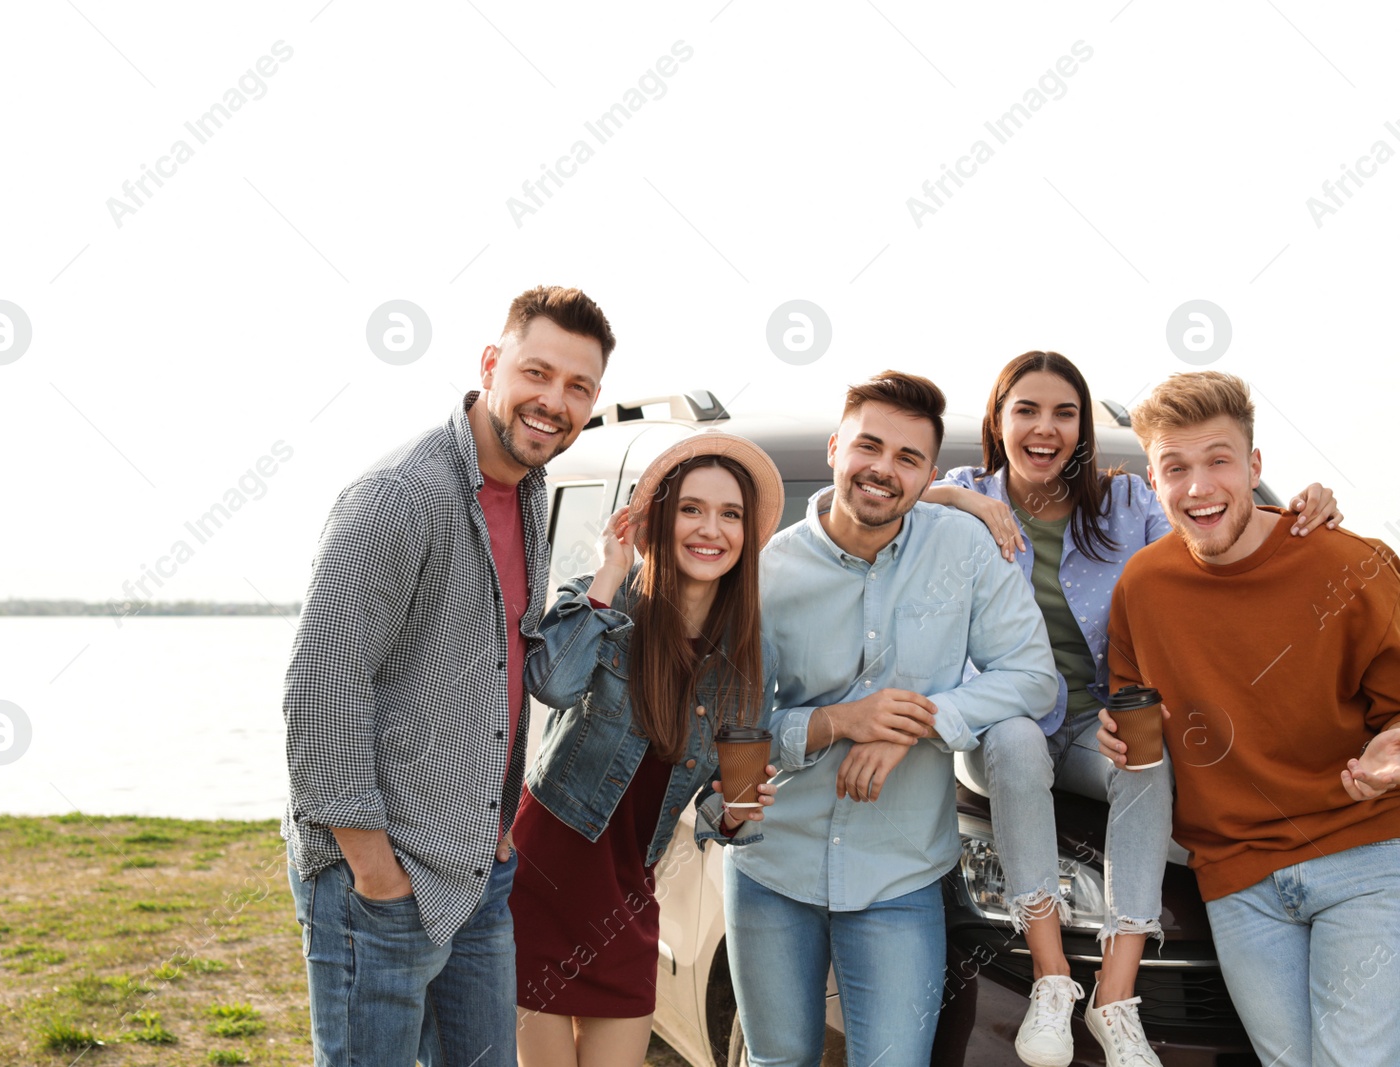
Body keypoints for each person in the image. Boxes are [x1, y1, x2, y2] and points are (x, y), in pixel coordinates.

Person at [921, 351, 1341, 1067]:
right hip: (1001, 718)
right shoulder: (960, 493)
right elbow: (866, 503)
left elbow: (1210, 528)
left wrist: (1302, 512)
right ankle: (1053, 976)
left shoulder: (1124, 503)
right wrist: (969, 500)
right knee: (1019, 739)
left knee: (1146, 752)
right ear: (999, 420)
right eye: (1026, 410)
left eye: (1064, 412)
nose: (1044, 428)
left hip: (1093, 718)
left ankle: (1115, 994)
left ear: (1082, 427)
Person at [280, 285, 614, 1067]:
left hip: (477, 868)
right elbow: (321, 685)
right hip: (380, 880)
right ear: (492, 365)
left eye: (579, 387)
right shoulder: (401, 496)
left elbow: (508, 671)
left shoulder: (527, 493)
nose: (554, 401)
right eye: (538, 372)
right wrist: (372, 867)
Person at [723, 372, 1059, 1067]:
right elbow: (738, 732)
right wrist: (842, 720)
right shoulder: (766, 572)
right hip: (773, 866)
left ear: (929, 474)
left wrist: (917, 722)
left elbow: (1033, 675)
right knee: (776, 1061)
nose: (884, 468)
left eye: (908, 458)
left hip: (899, 873)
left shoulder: (963, 550)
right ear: (836, 448)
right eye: (869, 446)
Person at [1096, 370, 1400, 1067]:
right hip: (1238, 881)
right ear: (1153, 479)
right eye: (1176, 467)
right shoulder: (1141, 589)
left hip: (1365, 852)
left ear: (1255, 465)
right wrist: (1114, 735)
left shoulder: (1352, 565)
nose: (1199, 487)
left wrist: (1392, 753)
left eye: (1218, 460)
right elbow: (1137, 722)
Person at [509, 432, 783, 1067]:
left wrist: (738, 813)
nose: (709, 528)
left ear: (745, 535)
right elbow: (552, 682)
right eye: (690, 508)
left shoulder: (749, 657)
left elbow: (721, 809)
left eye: (729, 513)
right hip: (542, 884)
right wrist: (610, 566)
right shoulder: (604, 605)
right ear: (658, 518)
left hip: (627, 899)